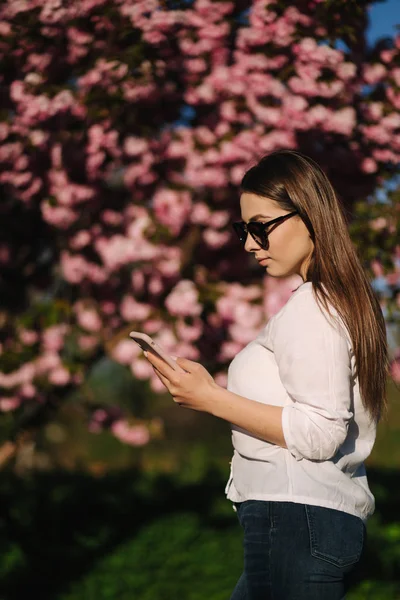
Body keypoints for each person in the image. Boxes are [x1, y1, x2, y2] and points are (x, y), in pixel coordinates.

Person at [145, 150, 389, 599]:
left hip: (296, 520)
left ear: (309, 215)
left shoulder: (315, 306)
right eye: (243, 229)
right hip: (303, 522)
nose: (249, 244)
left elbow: (320, 431)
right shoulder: (338, 301)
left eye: (261, 226)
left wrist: (209, 398)